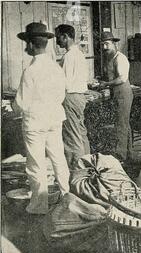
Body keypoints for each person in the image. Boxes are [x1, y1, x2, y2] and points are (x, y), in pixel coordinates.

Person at [13, 22, 70, 214]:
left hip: (35, 122)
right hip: (54, 119)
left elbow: (20, 102)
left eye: (26, 43)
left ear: (30, 44)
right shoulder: (56, 68)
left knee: (36, 164)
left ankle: (39, 206)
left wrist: (12, 106)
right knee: (58, 158)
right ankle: (66, 195)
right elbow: (61, 95)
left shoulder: (30, 71)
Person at [55, 24, 90, 169]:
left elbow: (64, 83)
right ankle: (88, 164)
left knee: (72, 136)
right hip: (80, 98)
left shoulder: (69, 57)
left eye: (58, 38)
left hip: (70, 97)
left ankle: (77, 171)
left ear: (65, 37)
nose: (57, 41)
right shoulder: (80, 54)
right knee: (81, 133)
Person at [99, 32, 134, 163]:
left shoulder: (120, 58)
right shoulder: (110, 58)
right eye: (102, 44)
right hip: (116, 93)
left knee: (121, 124)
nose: (104, 47)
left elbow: (122, 78)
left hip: (123, 93)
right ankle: (128, 153)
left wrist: (106, 84)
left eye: (107, 44)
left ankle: (120, 156)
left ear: (114, 44)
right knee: (124, 123)